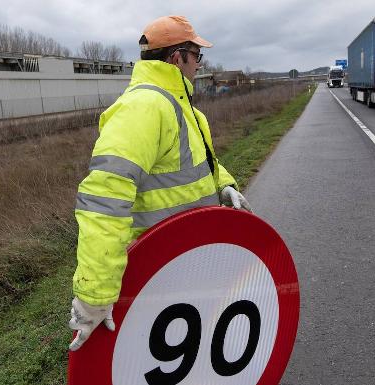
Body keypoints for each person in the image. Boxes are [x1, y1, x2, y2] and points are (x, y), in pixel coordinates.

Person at [68, 15, 251, 351]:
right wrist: (94, 296)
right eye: (197, 56)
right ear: (177, 57)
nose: (199, 65)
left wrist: (224, 186)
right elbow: (104, 200)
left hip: (191, 261)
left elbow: (199, 164)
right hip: (155, 275)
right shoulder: (143, 107)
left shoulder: (185, 111)